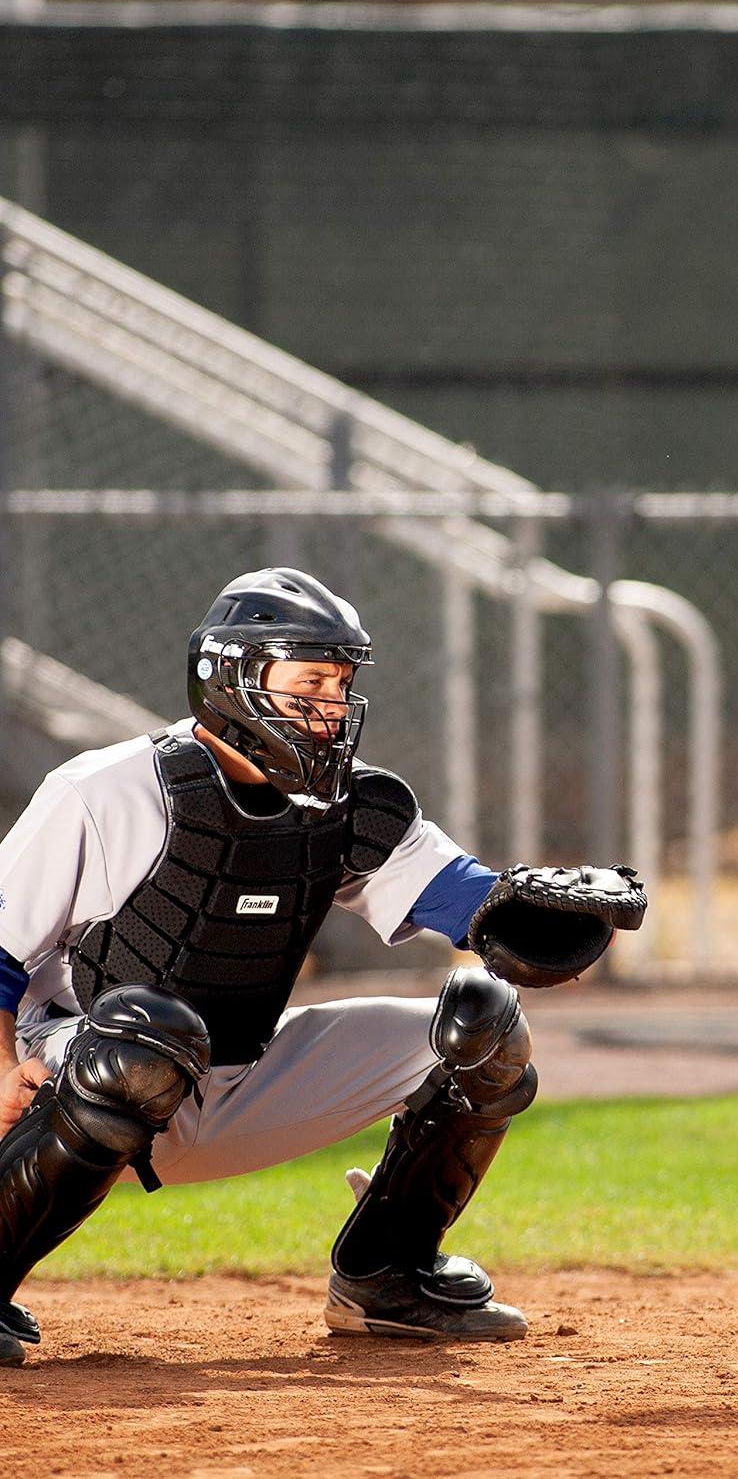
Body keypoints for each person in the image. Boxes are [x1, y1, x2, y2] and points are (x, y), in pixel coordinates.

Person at [0, 566, 645, 1368]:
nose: (331, 709)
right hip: (66, 1079)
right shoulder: (107, 791)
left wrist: (539, 911)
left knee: (484, 1022)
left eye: (339, 686)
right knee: (146, 1036)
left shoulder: (349, 806)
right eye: (309, 683)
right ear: (229, 679)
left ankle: (387, 1277)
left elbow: (464, 901)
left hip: (233, 1078)